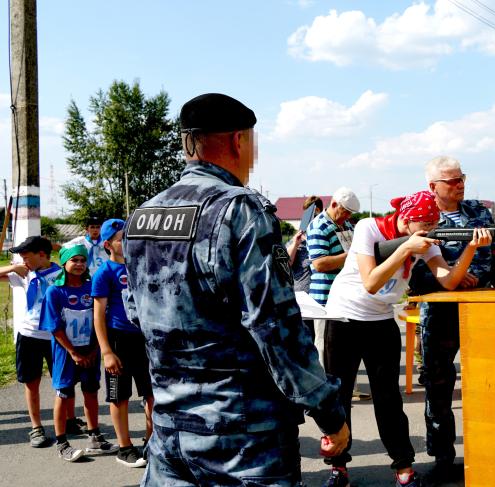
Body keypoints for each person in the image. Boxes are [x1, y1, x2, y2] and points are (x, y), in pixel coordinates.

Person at [123, 93, 348, 485]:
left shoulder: (144, 214)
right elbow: (275, 326)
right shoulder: (240, 209)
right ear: (238, 141)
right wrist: (328, 412)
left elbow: (136, 310)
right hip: (242, 436)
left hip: (169, 430)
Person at [323, 190, 492, 486]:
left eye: (433, 224)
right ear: (407, 219)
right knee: (339, 396)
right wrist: (406, 250)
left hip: (380, 321)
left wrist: (472, 249)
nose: (430, 231)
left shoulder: (422, 240)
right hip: (344, 318)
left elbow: (449, 280)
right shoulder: (368, 228)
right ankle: (338, 468)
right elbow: (371, 282)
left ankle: (403, 468)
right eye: (426, 225)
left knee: (388, 399)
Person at [408, 156, 495, 482]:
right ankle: (442, 457)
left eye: (461, 178)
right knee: (438, 385)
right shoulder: (422, 216)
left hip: (482, 305)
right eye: (451, 181)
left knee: (488, 381)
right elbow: (412, 268)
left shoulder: (480, 212)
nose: (460, 184)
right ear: (433, 186)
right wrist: (449, 277)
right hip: (440, 311)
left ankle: (492, 450)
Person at [39, 245, 118, 462]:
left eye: (83, 261)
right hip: (67, 354)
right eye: (74, 260)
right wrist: (73, 352)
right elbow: (54, 327)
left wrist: (95, 350)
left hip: (90, 352)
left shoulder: (91, 288)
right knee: (63, 394)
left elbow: (100, 320)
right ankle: (62, 442)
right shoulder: (54, 291)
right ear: (64, 263)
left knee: (91, 392)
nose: (80, 265)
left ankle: (95, 437)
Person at [92, 218, 153, 468]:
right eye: (121, 239)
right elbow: (98, 315)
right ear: (108, 244)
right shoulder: (104, 273)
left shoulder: (141, 266)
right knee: (120, 397)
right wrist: (106, 351)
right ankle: (124, 446)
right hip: (118, 339)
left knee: (152, 394)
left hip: (144, 337)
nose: (128, 242)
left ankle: (151, 442)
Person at [307, 187, 371, 400]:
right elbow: (319, 263)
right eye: (345, 212)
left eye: (350, 214)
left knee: (345, 350)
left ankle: (344, 388)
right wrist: (352, 255)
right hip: (325, 298)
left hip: (347, 297)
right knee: (325, 347)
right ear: (333, 204)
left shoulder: (346, 226)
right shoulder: (319, 226)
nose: (347, 217)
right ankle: (327, 393)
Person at [0, 236, 61, 448]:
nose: (23, 262)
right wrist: (12, 268)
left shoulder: (61, 274)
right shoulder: (24, 273)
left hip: (57, 336)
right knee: (31, 382)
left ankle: (66, 420)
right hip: (29, 336)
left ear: (42, 255)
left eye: (26, 257)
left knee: (63, 383)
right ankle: (36, 427)